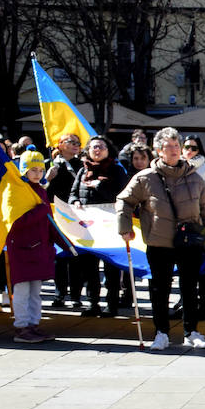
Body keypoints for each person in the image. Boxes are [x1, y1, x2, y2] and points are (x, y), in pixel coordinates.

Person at [118, 127, 205, 351]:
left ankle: (191, 331)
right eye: (169, 146)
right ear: (158, 150)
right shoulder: (145, 178)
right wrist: (125, 227)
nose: (174, 150)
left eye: (177, 146)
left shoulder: (194, 178)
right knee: (160, 289)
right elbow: (124, 201)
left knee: (189, 288)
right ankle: (161, 333)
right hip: (159, 242)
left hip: (190, 242)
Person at [6, 151, 67, 343]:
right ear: (24, 169)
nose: (38, 173)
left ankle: (33, 324)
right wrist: (40, 211)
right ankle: (22, 327)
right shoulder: (15, 190)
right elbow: (14, 222)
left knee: (35, 292)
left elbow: (48, 221)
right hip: (22, 249)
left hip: (39, 249)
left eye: (41, 170)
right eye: (33, 169)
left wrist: (62, 242)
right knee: (22, 291)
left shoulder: (40, 190)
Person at [68, 136, 126, 317]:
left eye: (101, 147)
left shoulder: (116, 170)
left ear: (109, 149)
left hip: (109, 228)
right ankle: (93, 303)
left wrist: (99, 185)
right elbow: (72, 193)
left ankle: (112, 304)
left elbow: (121, 195)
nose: (97, 150)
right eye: (94, 147)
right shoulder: (82, 170)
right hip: (88, 229)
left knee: (111, 268)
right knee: (89, 268)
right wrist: (75, 201)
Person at [179, 136, 205, 322]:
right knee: (184, 268)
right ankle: (185, 302)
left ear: (199, 150)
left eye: (193, 148)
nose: (189, 151)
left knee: (202, 267)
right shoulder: (177, 168)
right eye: (185, 147)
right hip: (178, 226)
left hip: (200, 225)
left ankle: (203, 304)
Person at [45, 133, 83, 309]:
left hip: (75, 216)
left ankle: (76, 295)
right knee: (59, 257)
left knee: (76, 255)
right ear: (59, 145)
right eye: (71, 142)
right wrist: (48, 179)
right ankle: (60, 294)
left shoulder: (82, 165)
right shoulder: (49, 165)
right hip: (55, 216)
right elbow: (41, 191)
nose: (75, 145)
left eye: (78, 143)